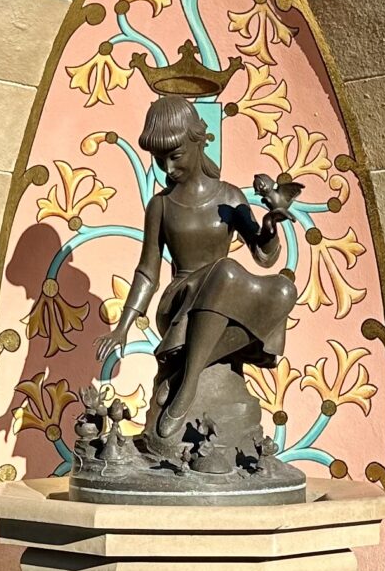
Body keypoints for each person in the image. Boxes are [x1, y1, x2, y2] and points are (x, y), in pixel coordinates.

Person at [105, 92, 301, 462]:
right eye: (159, 158)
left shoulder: (230, 196)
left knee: (283, 290)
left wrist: (271, 226)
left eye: (174, 155)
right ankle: (189, 385)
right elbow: (147, 271)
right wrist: (123, 325)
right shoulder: (161, 205)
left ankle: (181, 375)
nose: (167, 167)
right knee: (225, 270)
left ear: (197, 141)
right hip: (181, 300)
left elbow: (264, 256)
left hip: (225, 293)